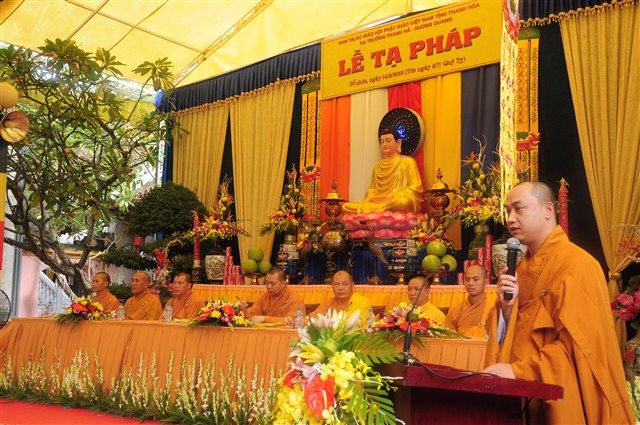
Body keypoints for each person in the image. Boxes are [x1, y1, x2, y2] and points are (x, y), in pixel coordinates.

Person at [483, 181, 633, 424]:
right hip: (521, 395)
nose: (510, 219)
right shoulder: (519, 270)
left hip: (561, 393)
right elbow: (510, 335)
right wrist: (507, 310)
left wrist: (521, 371)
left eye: (519, 209)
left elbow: (577, 346)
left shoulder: (578, 265)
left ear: (548, 209)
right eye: (508, 211)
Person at [342, 127, 423, 213]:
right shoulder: (378, 166)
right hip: (378, 204)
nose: (385, 144)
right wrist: (372, 197)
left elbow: (415, 188)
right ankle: (379, 211)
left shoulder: (407, 162)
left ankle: (375, 212)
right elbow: (372, 190)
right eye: (382, 141)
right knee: (345, 207)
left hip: (394, 201)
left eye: (388, 141)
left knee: (403, 202)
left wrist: (392, 196)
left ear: (398, 142)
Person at [238, 267, 304, 324]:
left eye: (273, 284)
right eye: (267, 283)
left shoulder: (295, 299)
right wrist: (244, 310)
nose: (269, 287)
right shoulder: (265, 296)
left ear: (283, 284)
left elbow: (295, 321)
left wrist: (265, 319)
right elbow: (253, 315)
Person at [444, 264, 492, 338]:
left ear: (486, 282)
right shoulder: (456, 311)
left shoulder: (493, 309)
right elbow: (446, 337)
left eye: (475, 279)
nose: (470, 283)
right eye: (467, 279)